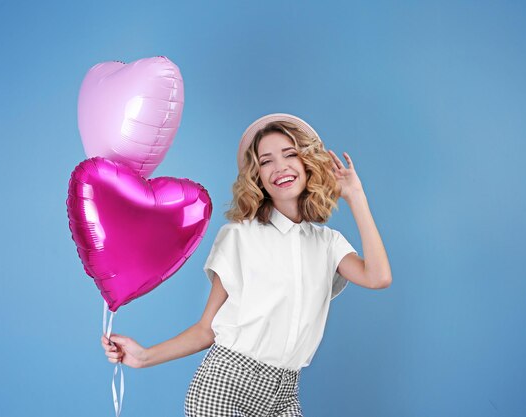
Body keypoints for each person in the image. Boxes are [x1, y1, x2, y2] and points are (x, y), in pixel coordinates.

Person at [101, 113, 392, 416]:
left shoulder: (328, 243)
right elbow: (207, 329)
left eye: (290, 154)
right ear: (258, 177)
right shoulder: (240, 236)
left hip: (284, 393)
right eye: (266, 161)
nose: (279, 167)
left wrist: (355, 196)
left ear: (308, 164)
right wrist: (144, 356)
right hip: (225, 389)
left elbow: (378, 276)